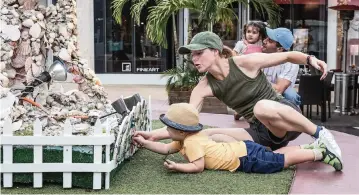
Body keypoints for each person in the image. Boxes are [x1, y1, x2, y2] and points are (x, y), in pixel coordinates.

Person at [136, 31, 341, 162]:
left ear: (216, 51)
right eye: (192, 55)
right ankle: (314, 151)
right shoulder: (203, 87)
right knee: (208, 135)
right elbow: (186, 122)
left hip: (283, 114)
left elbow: (287, 56)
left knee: (261, 107)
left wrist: (311, 59)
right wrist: (154, 135)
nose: (194, 59)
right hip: (264, 133)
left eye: (199, 53)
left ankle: (321, 134)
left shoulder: (244, 63)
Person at [133, 103, 343, 173]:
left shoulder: (191, 142)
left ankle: (319, 153)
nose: (165, 132)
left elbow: (197, 166)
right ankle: (308, 148)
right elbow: (166, 149)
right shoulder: (184, 139)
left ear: (180, 131)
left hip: (244, 159)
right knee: (275, 154)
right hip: (243, 149)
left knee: (279, 162)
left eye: (168, 129)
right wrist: (145, 143)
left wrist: (178, 167)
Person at [261, 27, 301, 106]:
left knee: (290, 95)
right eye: (266, 38)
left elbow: (279, 89)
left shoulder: (291, 63)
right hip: (261, 92)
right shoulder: (261, 56)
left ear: (280, 48)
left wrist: (257, 81)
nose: (264, 41)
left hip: (280, 98)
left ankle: (292, 117)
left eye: (270, 40)